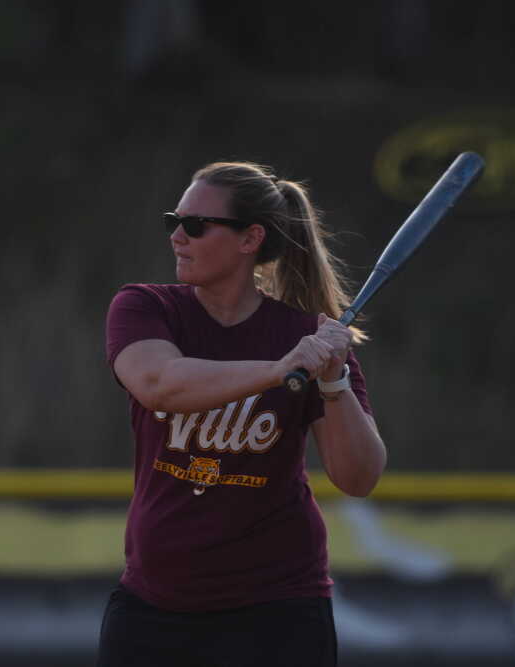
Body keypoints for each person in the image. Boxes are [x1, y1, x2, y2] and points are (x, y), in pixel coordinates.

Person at [99, 161, 387, 667]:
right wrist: (279, 369)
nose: (177, 237)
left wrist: (334, 380)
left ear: (250, 238)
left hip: (277, 611)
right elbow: (159, 384)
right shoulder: (146, 307)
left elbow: (359, 477)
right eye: (174, 222)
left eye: (194, 225)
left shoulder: (310, 338)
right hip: (155, 606)